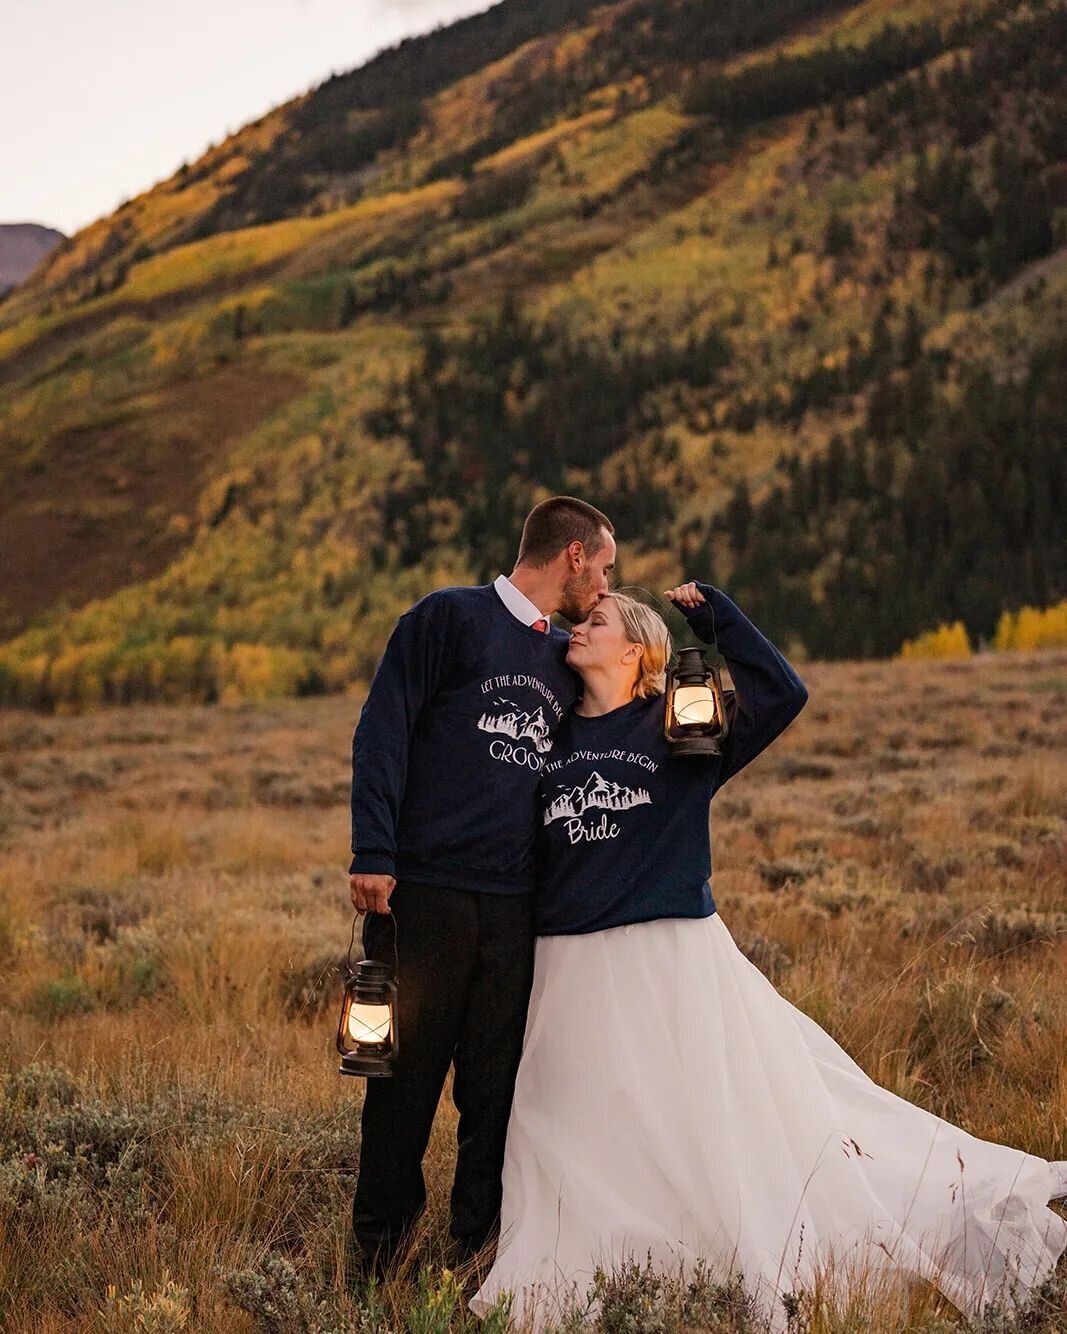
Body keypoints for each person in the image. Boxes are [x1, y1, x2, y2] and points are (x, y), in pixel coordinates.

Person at [470, 582, 1067, 1330]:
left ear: (636, 651)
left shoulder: (679, 726)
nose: (576, 632)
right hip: (565, 966)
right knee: (565, 1127)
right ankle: (577, 1268)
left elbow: (781, 693)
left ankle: (694, 1264)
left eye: (594, 622)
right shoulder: (549, 743)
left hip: (665, 959)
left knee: (688, 1122)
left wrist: (713, 617)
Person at [348, 496, 617, 1276]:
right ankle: (377, 1261)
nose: (604, 584)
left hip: (516, 907)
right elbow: (383, 727)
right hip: (422, 895)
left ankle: (479, 1257)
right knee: (401, 1085)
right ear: (571, 555)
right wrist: (373, 847)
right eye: (602, 567)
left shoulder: (568, 657)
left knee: (495, 1093)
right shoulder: (446, 619)